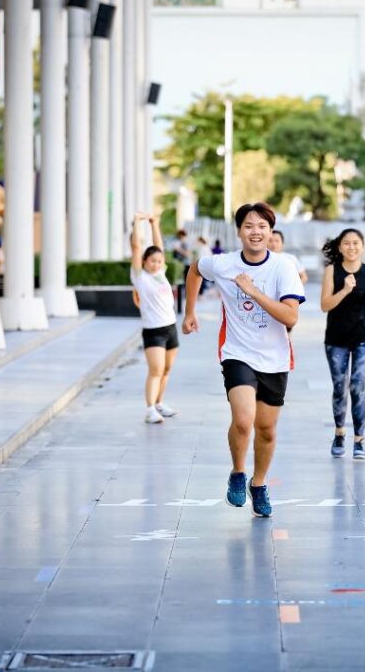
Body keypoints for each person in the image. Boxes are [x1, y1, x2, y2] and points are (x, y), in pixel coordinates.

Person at [181, 202, 305, 518]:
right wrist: (190, 311)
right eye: (249, 226)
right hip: (237, 353)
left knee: (266, 430)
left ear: (270, 231)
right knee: (243, 419)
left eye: (262, 226)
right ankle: (238, 472)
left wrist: (252, 291)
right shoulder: (222, 263)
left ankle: (259, 483)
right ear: (239, 231)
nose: (255, 232)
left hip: (275, 358)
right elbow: (195, 269)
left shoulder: (283, 267)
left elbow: (291, 316)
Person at [320, 228, 365, 460]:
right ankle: (340, 433)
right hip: (337, 338)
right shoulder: (332, 271)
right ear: (340, 247)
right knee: (340, 387)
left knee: (357, 385)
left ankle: (359, 440)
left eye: (356, 243)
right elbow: (325, 305)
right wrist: (345, 290)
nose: (351, 247)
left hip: (364, 336)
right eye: (346, 243)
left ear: (363, 246)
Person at [130, 212, 180, 424]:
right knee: (156, 370)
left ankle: (159, 403)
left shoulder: (160, 274)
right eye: (152, 261)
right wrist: (137, 223)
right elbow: (136, 247)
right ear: (144, 262)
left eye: (159, 261)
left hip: (171, 328)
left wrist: (155, 224)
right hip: (153, 330)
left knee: (167, 370)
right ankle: (150, 408)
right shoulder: (140, 276)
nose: (157, 264)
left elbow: (159, 246)